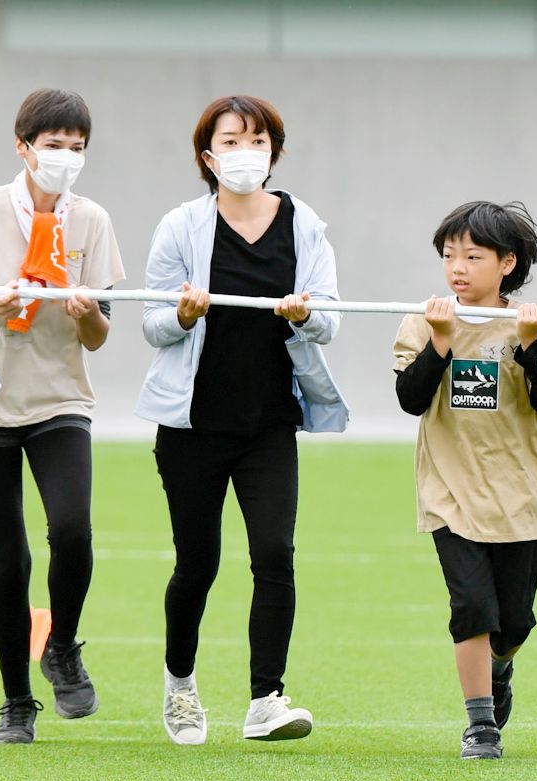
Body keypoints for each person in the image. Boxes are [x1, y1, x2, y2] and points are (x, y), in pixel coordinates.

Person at [136, 95, 348, 746]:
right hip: (193, 425)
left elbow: (331, 320)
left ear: (274, 152)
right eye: (230, 142)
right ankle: (179, 685)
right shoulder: (181, 227)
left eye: (256, 140)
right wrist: (185, 315)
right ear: (208, 156)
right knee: (197, 563)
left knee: (275, 556)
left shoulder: (304, 224)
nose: (244, 152)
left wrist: (303, 315)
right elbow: (150, 325)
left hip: (269, 422)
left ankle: (266, 699)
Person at [0, 88, 124, 744]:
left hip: (59, 400)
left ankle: (62, 646)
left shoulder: (91, 221)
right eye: (53, 145)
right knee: (7, 561)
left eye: (76, 148)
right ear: (23, 146)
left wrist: (86, 312)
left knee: (72, 531)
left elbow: (100, 336)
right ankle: (16, 704)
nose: (65, 158)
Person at [392, 201, 537, 760]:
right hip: (450, 492)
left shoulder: (533, 325)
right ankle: (481, 726)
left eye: (473, 256)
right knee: (472, 606)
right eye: (449, 256)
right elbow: (410, 399)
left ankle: (499, 671)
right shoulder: (423, 321)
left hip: (520, 495)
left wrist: (532, 344)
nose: (458, 268)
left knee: (513, 622)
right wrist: (442, 342)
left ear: (507, 264)